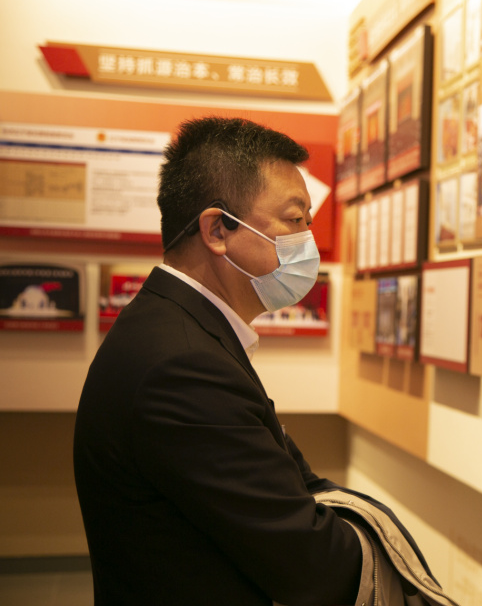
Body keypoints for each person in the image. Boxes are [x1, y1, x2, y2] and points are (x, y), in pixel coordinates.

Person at [73, 117, 362, 605]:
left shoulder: (178, 329)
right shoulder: (183, 367)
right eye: (295, 220)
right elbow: (314, 563)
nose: (307, 241)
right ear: (217, 230)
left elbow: (294, 483)